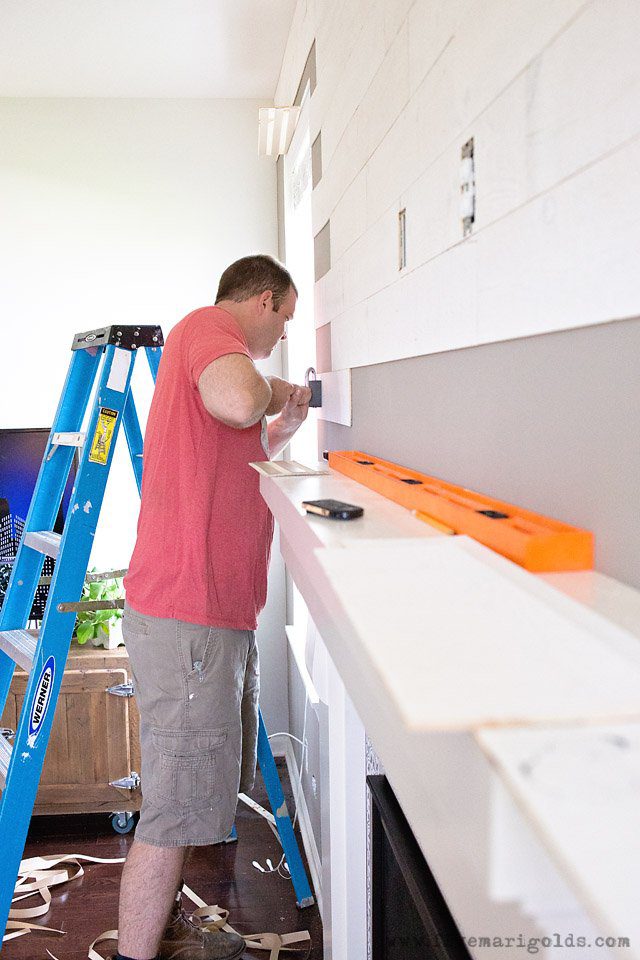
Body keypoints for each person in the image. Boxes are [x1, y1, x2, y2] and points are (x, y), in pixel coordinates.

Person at [115, 255, 312, 960]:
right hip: (189, 616)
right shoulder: (206, 330)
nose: (279, 336)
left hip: (210, 614)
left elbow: (241, 438)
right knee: (171, 814)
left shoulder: (215, 353)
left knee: (197, 794)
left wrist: (281, 423)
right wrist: (280, 387)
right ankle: (135, 953)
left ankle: (157, 930)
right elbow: (236, 401)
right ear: (263, 301)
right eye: (283, 320)